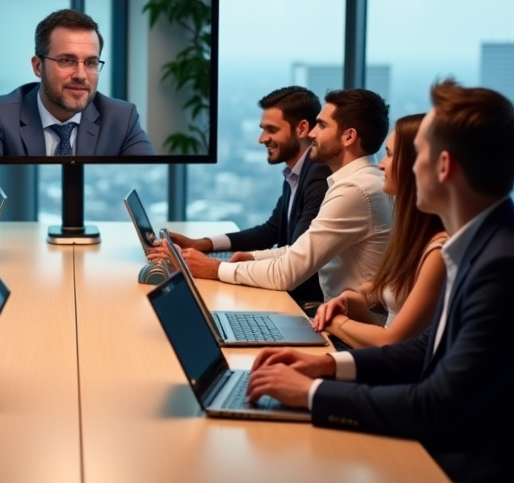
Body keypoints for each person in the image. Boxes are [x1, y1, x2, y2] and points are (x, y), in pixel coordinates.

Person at [230, 80, 514, 483]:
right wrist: (329, 368)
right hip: (453, 473)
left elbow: (435, 405)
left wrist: (310, 395)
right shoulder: (488, 243)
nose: (390, 166)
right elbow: (427, 350)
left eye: (407, 155)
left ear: (443, 168)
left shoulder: (505, 268)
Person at [179, 88, 392, 301]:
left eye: (322, 125)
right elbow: (296, 247)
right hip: (339, 311)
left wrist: (215, 268)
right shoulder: (356, 183)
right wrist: (252, 257)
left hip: (341, 316)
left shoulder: (354, 190)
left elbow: (288, 272)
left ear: (349, 137)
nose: (312, 133)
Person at [153, 86, 330, 305]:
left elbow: (296, 255)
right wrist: (202, 244)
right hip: (287, 293)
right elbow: (270, 231)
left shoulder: (319, 176)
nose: (262, 139)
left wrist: (216, 268)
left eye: (272, 130)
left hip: (305, 303)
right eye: (263, 129)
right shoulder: (297, 173)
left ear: (302, 128)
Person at [309, 113, 448, 348]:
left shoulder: (439, 250)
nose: (381, 164)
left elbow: (393, 341)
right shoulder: (416, 235)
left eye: (390, 154)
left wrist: (336, 322)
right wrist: (351, 300)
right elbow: (381, 289)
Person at [0, 8, 156, 157]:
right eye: (67, 60)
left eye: (91, 62)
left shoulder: (122, 118)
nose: (81, 75)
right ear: (38, 66)